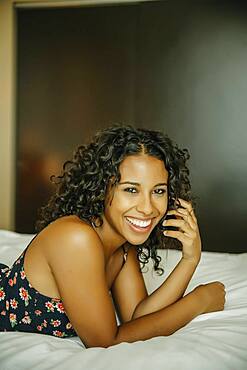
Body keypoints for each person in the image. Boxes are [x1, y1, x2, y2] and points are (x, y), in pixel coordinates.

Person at [0, 124, 225, 348]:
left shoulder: (123, 245)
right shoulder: (75, 238)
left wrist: (190, 260)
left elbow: (138, 318)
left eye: (158, 191)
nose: (147, 208)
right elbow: (106, 341)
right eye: (130, 189)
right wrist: (198, 301)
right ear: (101, 187)